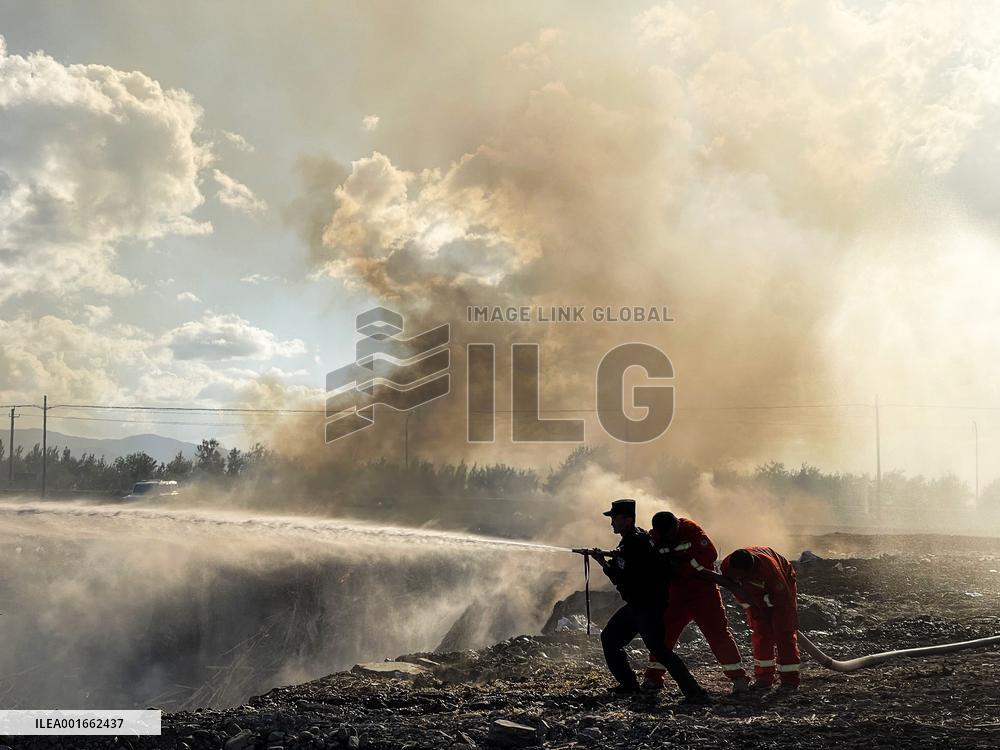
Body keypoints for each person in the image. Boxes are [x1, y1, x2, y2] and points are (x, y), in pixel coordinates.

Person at [595, 498, 709, 703]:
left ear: (628, 520)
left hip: (645, 606)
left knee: (658, 649)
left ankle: (694, 692)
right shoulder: (638, 538)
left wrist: (603, 562)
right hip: (642, 605)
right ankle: (629, 685)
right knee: (611, 639)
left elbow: (620, 577)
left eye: (615, 518)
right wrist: (611, 559)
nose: (612, 522)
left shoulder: (633, 543)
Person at [641, 512, 750, 695]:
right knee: (664, 634)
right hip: (676, 593)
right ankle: (653, 677)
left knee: (717, 633)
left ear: (676, 525)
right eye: (665, 535)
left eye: (671, 533)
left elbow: (710, 554)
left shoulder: (691, 531)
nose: (669, 537)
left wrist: (682, 565)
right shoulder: (654, 537)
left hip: (703, 591)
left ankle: (738, 678)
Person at [719, 546, 801, 691]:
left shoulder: (770, 569)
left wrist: (761, 603)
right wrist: (753, 607)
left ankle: (789, 680)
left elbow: (782, 599)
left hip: (782, 588)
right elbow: (736, 589)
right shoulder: (727, 566)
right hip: (755, 596)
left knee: (784, 631)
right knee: (761, 633)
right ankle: (764, 678)